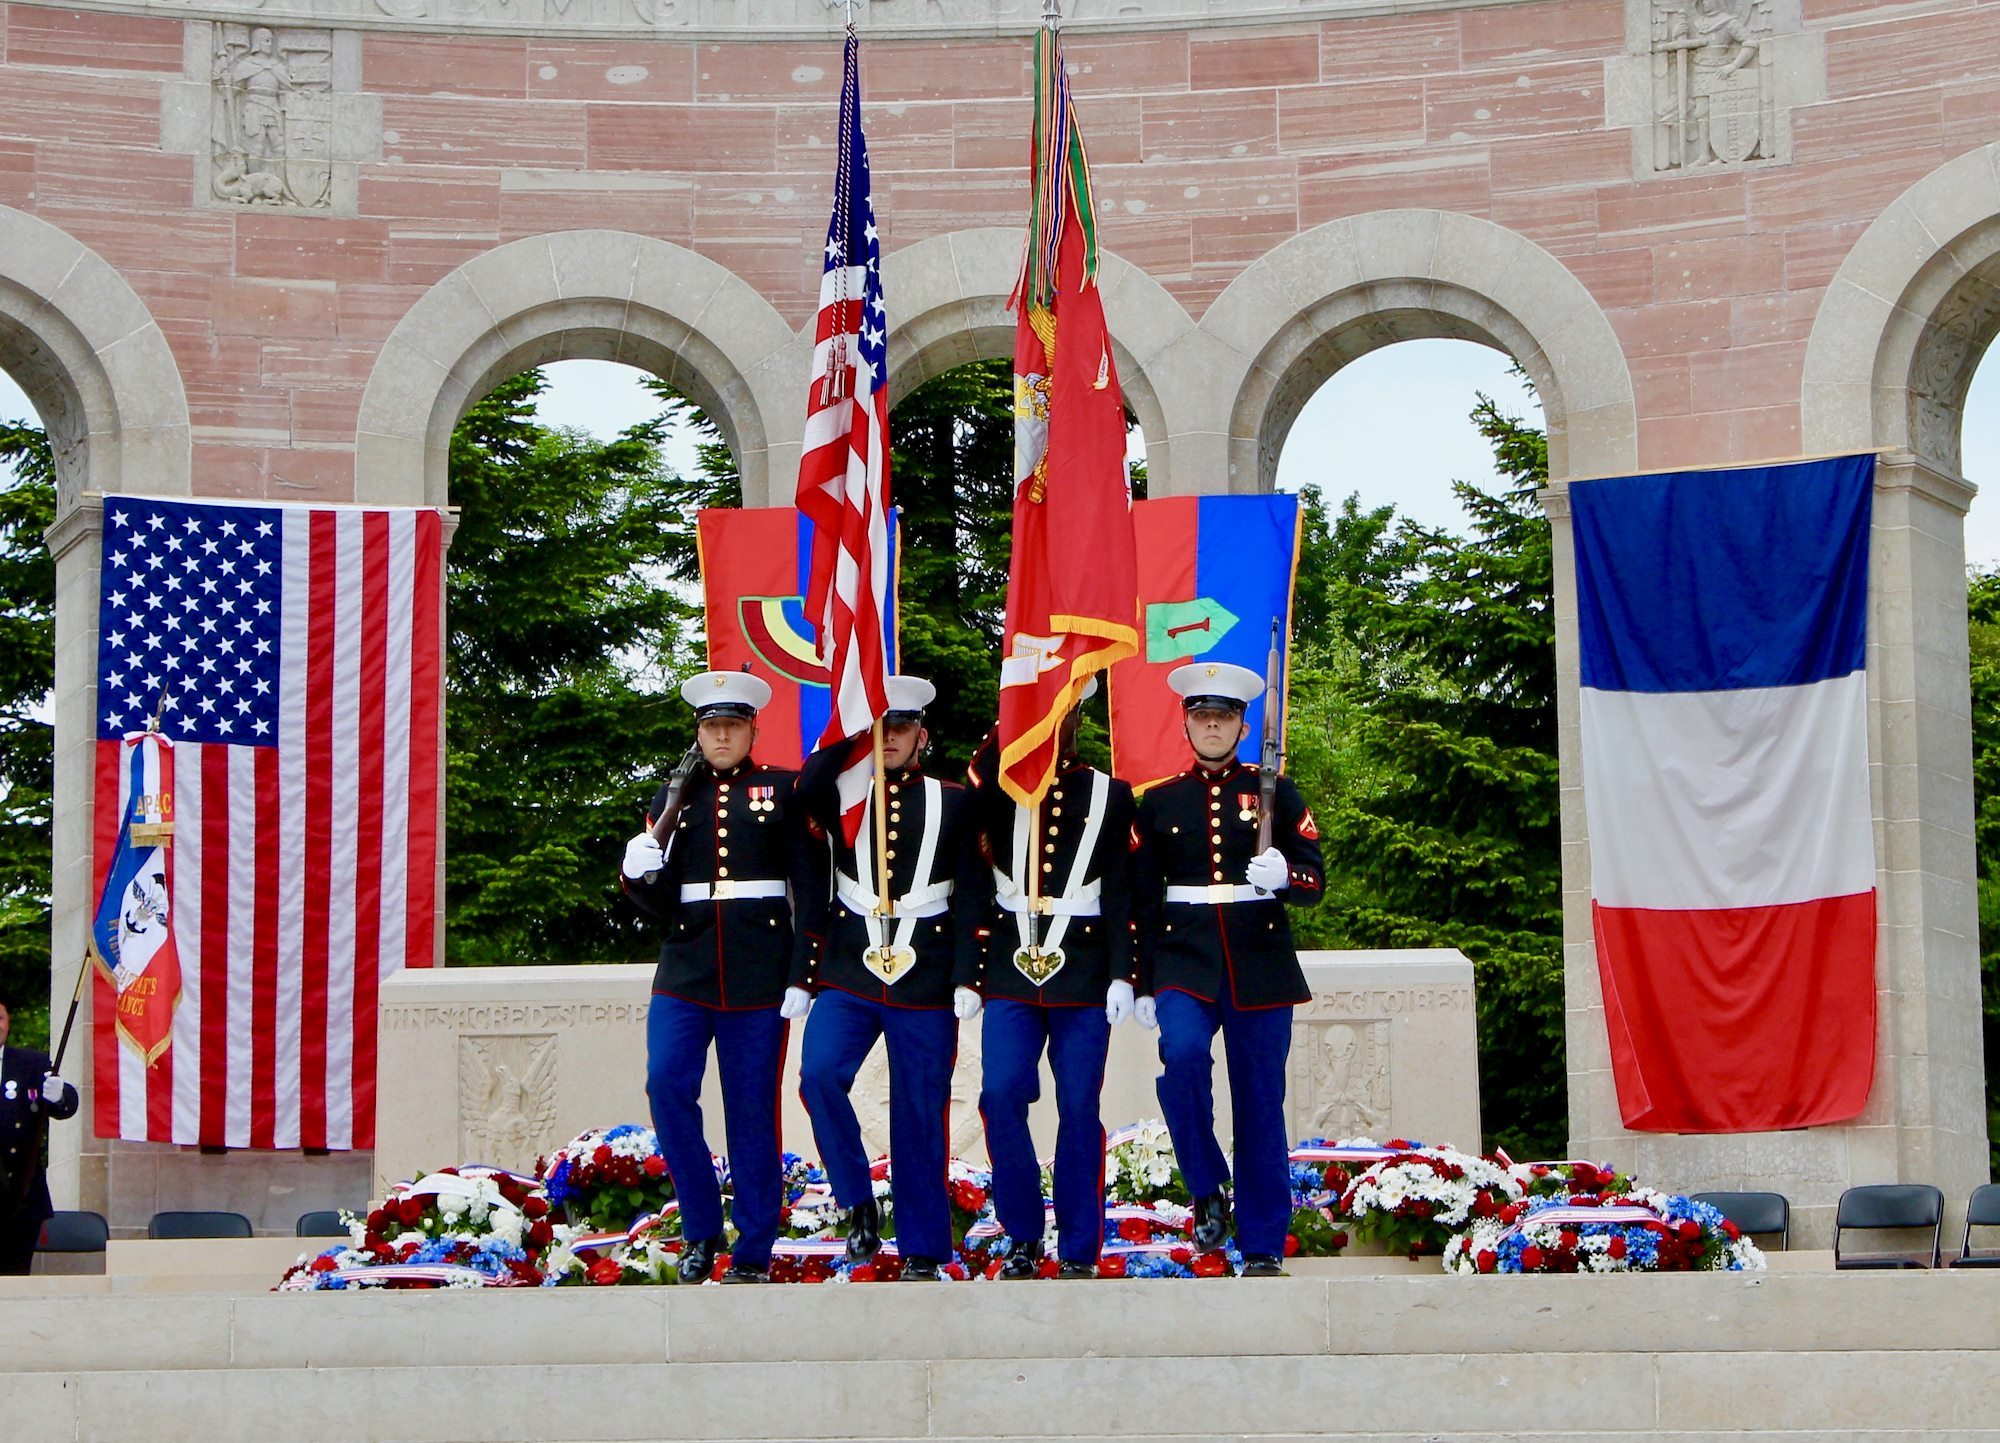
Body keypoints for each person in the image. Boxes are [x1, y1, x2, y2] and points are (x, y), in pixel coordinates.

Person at [790, 676, 990, 1281]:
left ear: (921, 735)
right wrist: (850, 725)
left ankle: (925, 1249)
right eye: (882, 728)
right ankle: (857, 1202)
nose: (891, 738)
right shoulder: (846, 794)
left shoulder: (955, 800)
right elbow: (806, 786)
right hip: (850, 964)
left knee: (920, 1111)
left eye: (901, 728)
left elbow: (973, 892)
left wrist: (968, 974)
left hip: (926, 968)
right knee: (819, 1076)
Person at [620, 670, 814, 1285]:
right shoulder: (673, 801)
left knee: (751, 1110)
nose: (721, 735)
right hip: (686, 970)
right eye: (711, 726)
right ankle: (701, 1230)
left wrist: (802, 973)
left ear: (753, 730)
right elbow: (657, 904)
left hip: (760, 977)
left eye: (732, 725)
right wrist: (638, 872)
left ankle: (754, 1245)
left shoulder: (782, 791)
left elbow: (809, 890)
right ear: (699, 735)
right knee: (667, 1086)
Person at [1131, 660, 1324, 1277]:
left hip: (1258, 961)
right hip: (1183, 959)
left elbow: (1315, 879)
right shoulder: (1158, 802)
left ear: (1243, 726)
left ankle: (1263, 1240)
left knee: (1261, 1102)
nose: (1212, 725)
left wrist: (1284, 879)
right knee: (1182, 1062)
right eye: (1201, 715)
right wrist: (1137, 980)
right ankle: (1207, 1184)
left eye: (1224, 716)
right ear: (1186, 723)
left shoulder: (1279, 791)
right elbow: (1136, 896)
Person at [965, 676, 1136, 1279]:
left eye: (1062, 709)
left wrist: (1124, 972)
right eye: (1044, 710)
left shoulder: (1110, 794)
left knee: (1078, 1106)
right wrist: (1015, 711)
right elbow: (975, 782)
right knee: (1001, 1094)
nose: (1052, 720)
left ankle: (1080, 1247)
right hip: (1013, 965)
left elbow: (1120, 888)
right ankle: (1021, 1233)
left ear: (1077, 720)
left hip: (1085, 971)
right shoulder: (1002, 786)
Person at [0, 996, 78, 1276]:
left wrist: (60, 1096)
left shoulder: (29, 1063)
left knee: (15, 1285)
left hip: (19, 1200)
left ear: (8, 1024)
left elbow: (66, 1103)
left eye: (0, 1018)